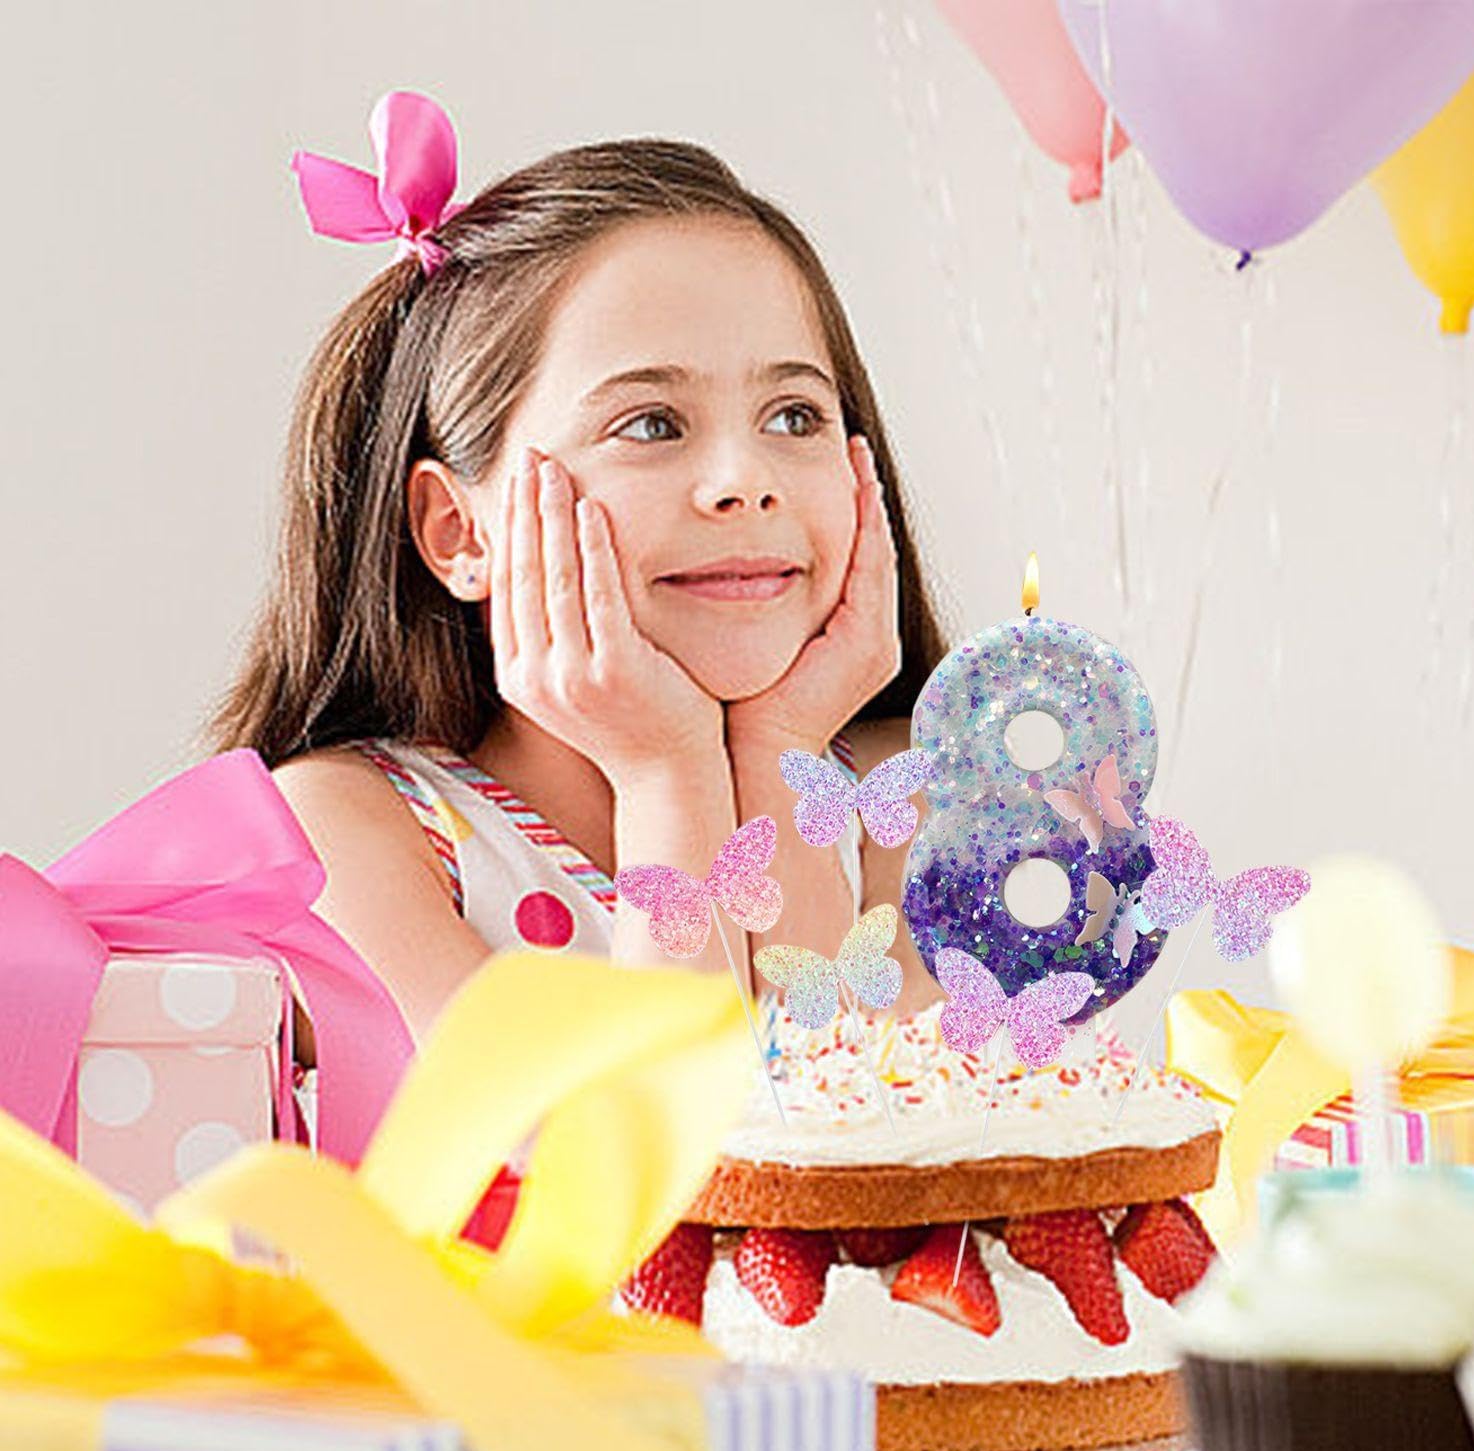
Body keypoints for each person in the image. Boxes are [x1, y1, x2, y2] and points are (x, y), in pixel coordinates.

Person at [213, 93, 950, 1049]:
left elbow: (848, 1125)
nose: (745, 481)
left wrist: (782, 759)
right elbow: (642, 1145)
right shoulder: (345, 837)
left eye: (794, 416)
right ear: (458, 531)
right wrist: (666, 779)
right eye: (652, 424)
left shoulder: (908, 796)